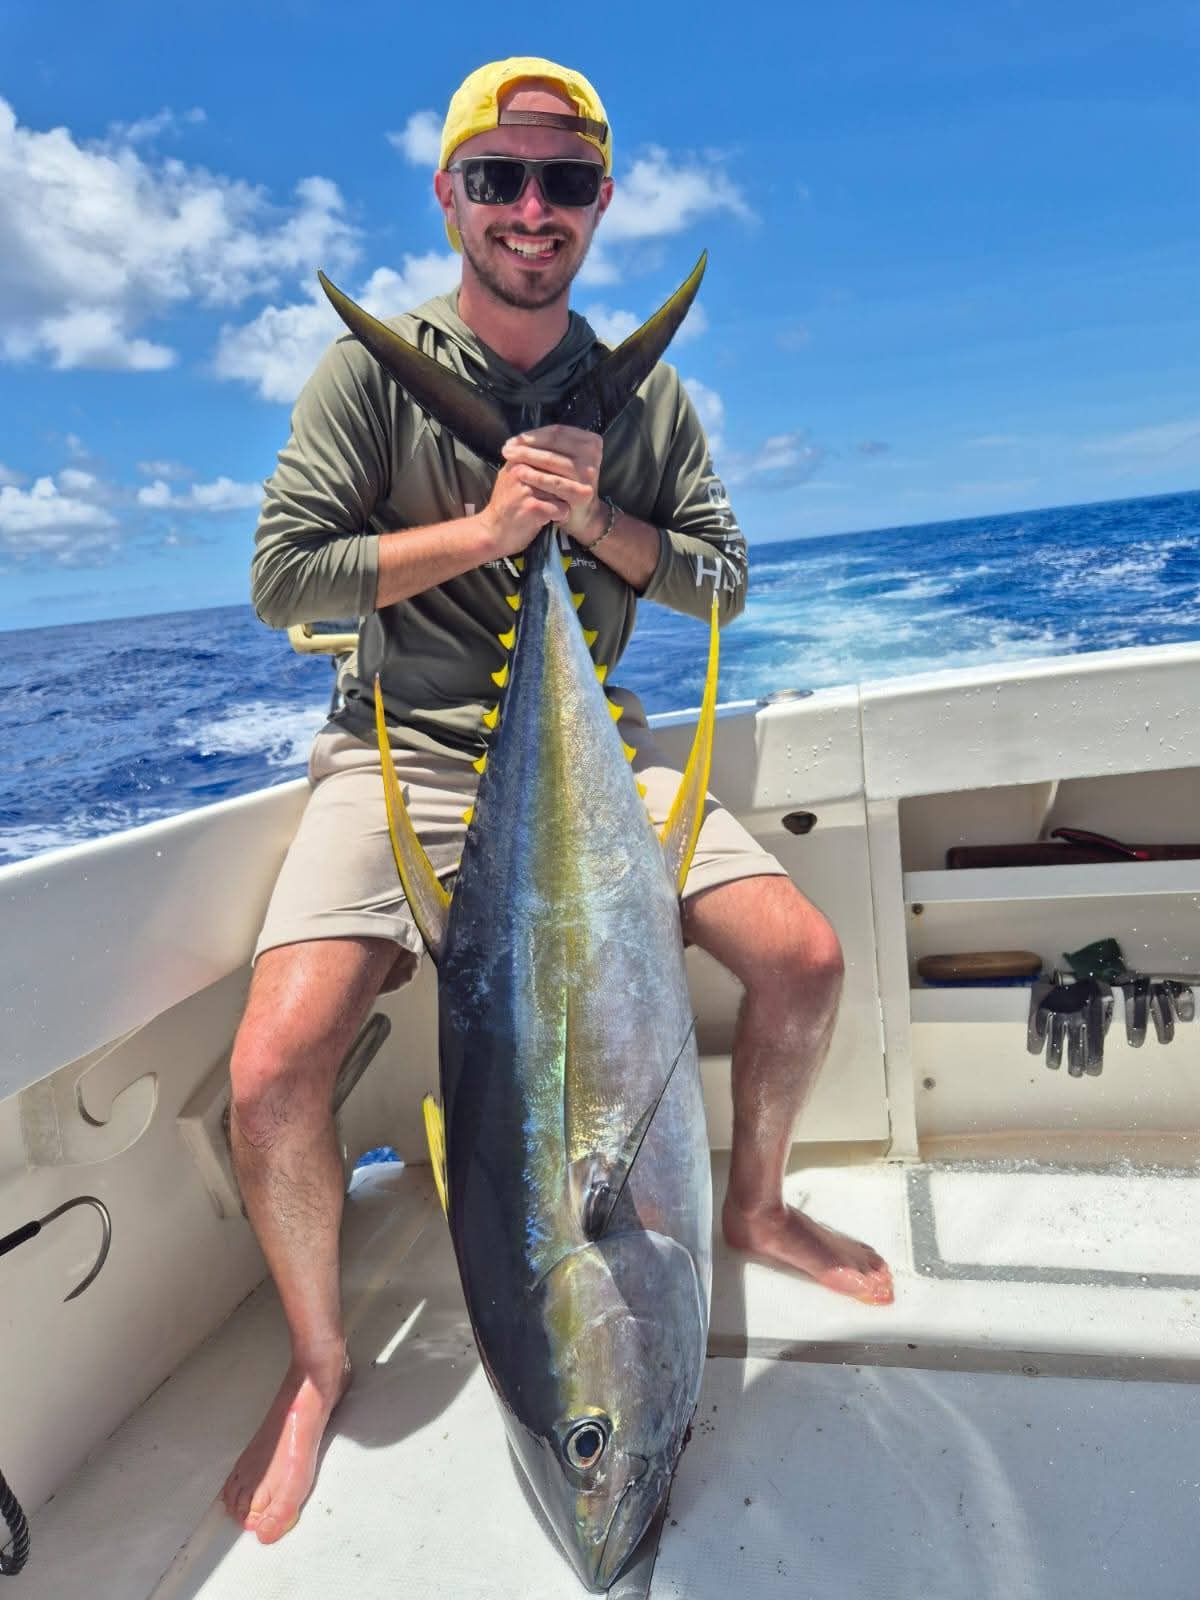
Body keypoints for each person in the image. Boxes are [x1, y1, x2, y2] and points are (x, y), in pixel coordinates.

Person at [221, 55, 894, 1547]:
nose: (533, 209)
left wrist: (589, 513)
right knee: (270, 1077)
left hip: (590, 757)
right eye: (502, 178)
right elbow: (283, 581)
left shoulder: (644, 396)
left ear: (598, 201)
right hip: (403, 755)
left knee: (804, 960)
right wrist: (488, 529)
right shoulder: (368, 376)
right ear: (451, 194)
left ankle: (753, 1204)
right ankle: (321, 1362)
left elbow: (720, 581)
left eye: (565, 181)